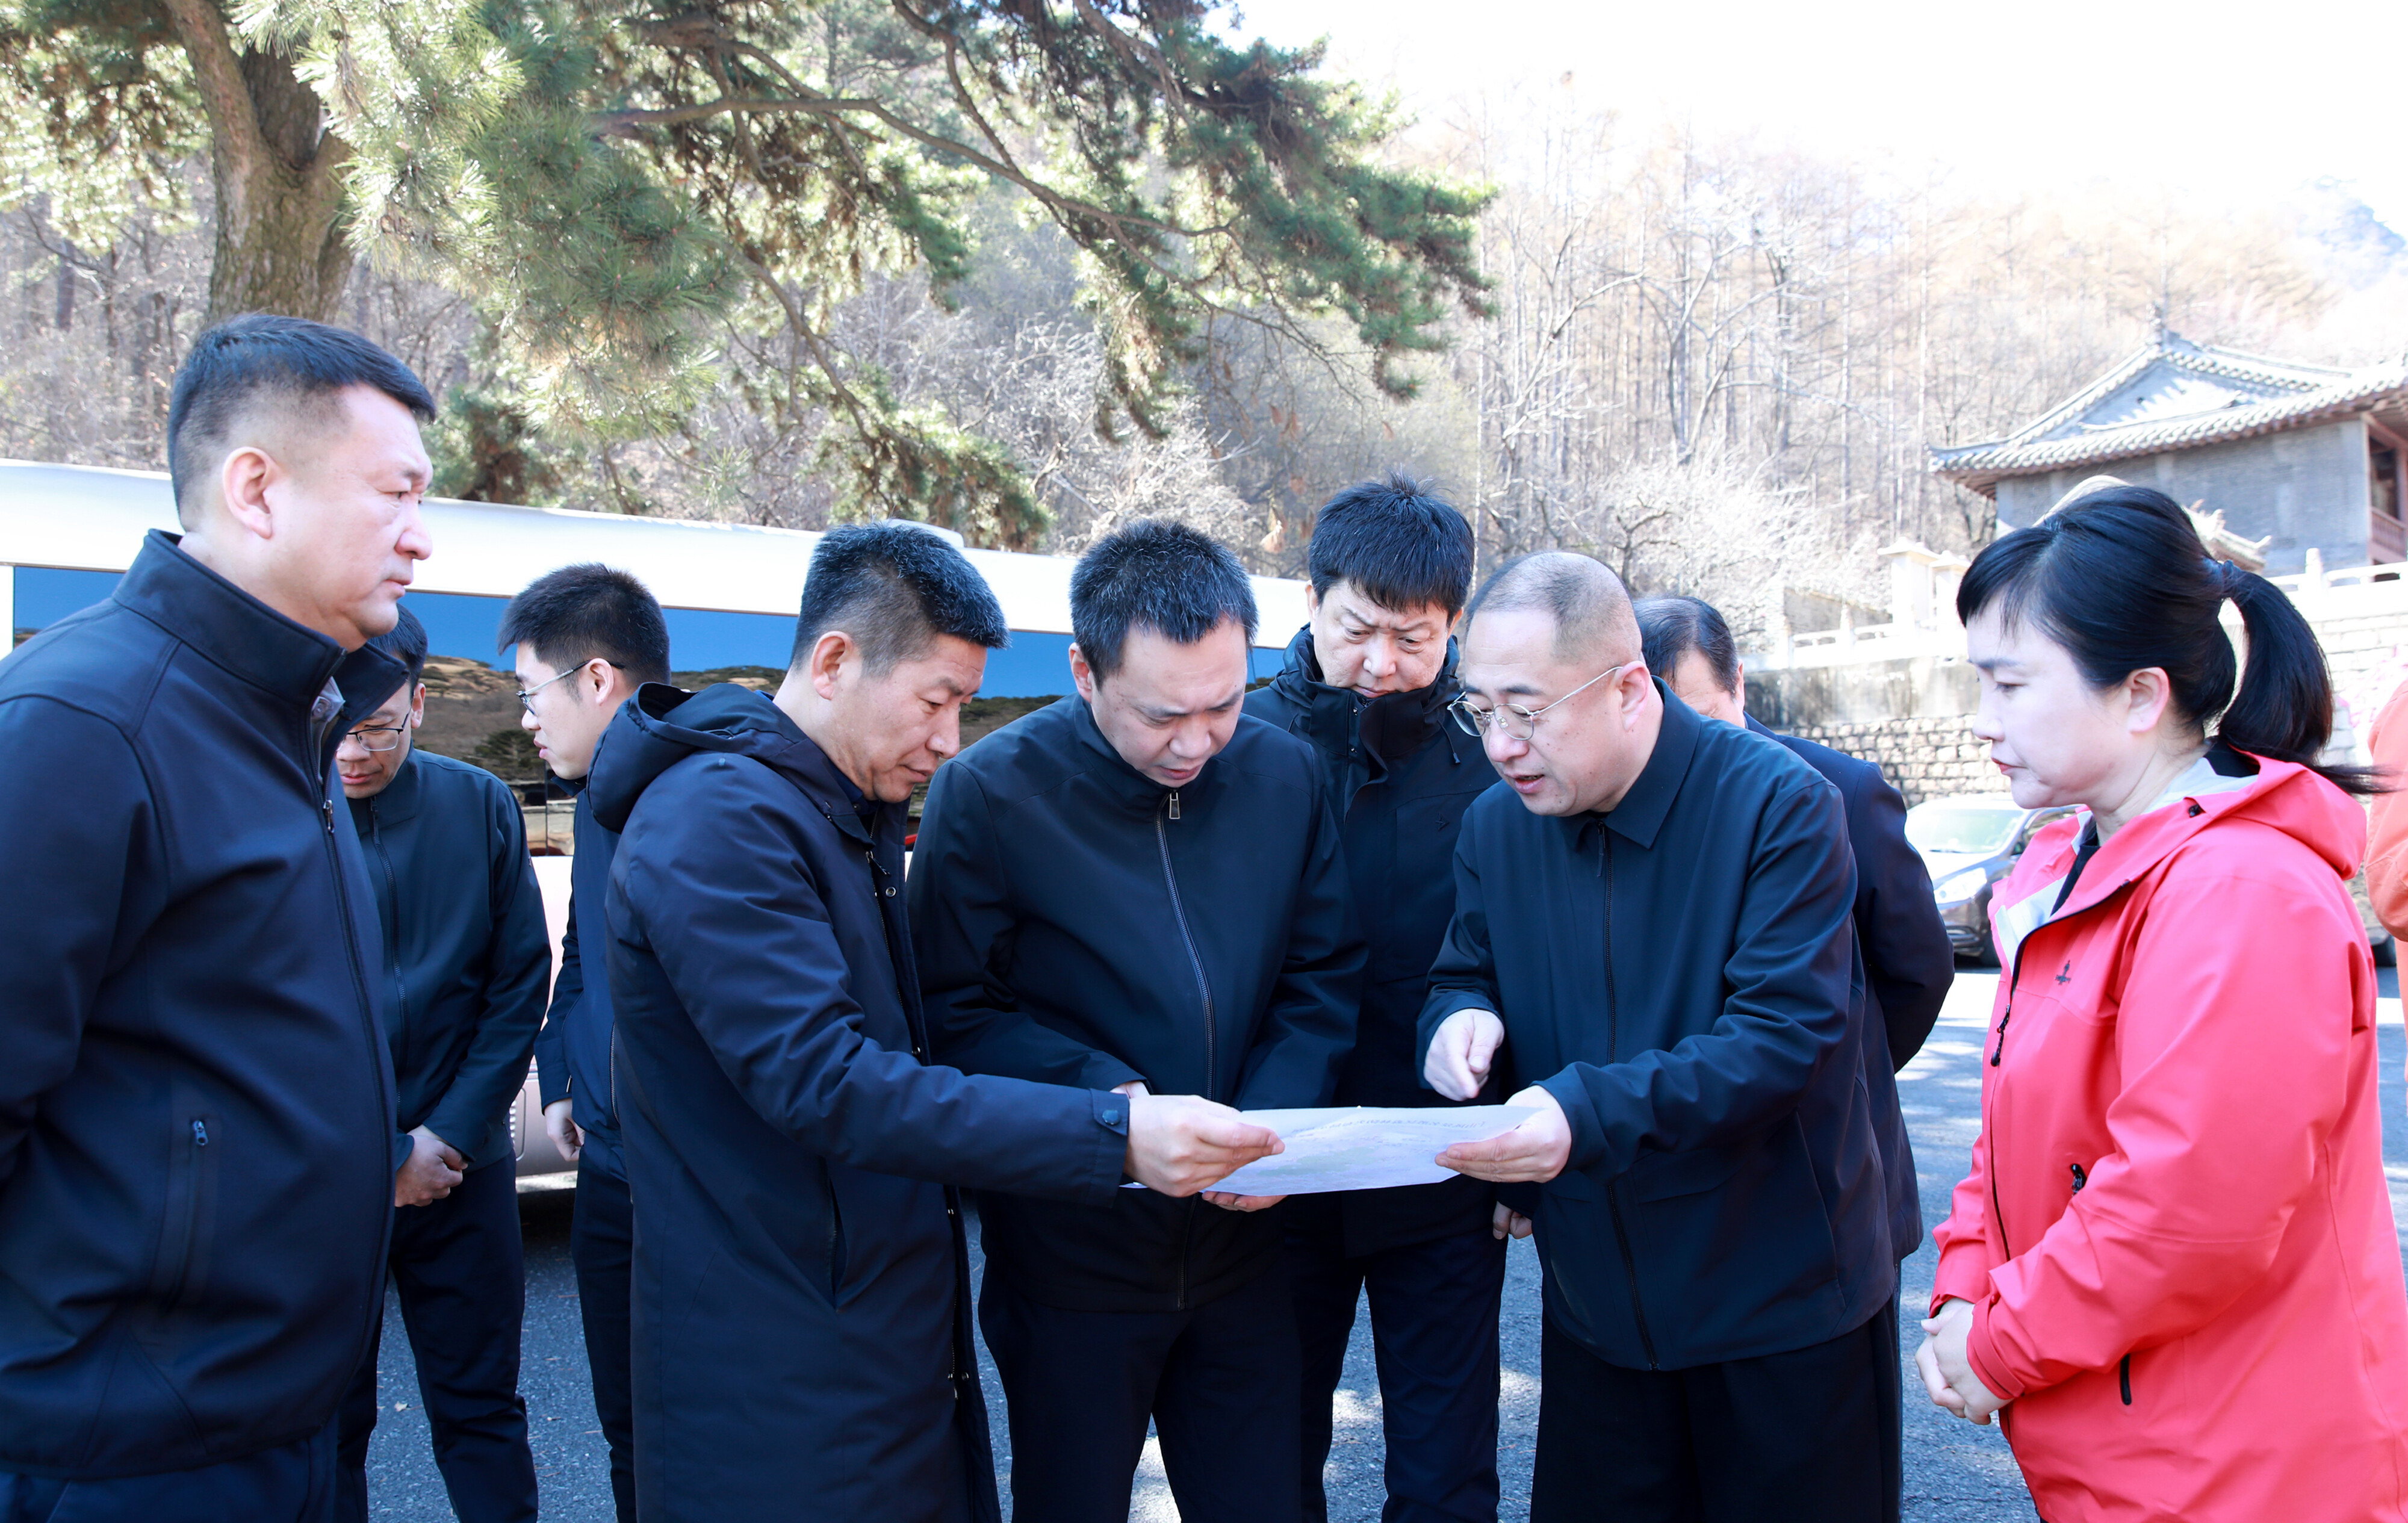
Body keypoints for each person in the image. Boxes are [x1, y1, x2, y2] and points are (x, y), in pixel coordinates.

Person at [594, 522, 1283, 1523]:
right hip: (777, 1369)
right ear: (834, 660)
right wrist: (1116, 1136)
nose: (952, 737)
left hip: (863, 1335)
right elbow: (827, 1080)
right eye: (936, 700)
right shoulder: (722, 820)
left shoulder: (825, 810)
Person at [0, 314, 434, 1519]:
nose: (422, 534)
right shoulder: (84, 723)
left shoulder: (295, 719)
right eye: (395, 489)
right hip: (127, 1446)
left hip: (291, 1420)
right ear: (256, 487)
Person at [1916, 484, 2408, 1522]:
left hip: (2241, 1466)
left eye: (2009, 685)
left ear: (2142, 693)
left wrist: (1996, 1343)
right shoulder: (2078, 870)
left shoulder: (2238, 890)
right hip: (2136, 1443)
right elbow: (2012, 1135)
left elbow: (2189, 1210)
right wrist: (1964, 1283)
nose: (1980, 721)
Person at [1418, 552, 1896, 1523]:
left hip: (1781, 1303)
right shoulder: (1494, 828)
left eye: (1528, 708)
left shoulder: (1778, 802)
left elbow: (1782, 1035)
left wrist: (1579, 1110)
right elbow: (1464, 969)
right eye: (1479, 710)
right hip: (1598, 1308)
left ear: (1629, 685)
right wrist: (1457, 1023)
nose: (1501, 744)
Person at [912, 519, 1365, 1523]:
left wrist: (1273, 1115)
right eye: (1164, 715)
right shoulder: (988, 794)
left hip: (1250, 1252)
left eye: (1226, 703)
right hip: (1074, 1253)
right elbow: (948, 1009)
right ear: (1083, 670)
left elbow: (1323, 969)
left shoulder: (1285, 773)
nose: (1198, 740)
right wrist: (1107, 1105)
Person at [1639, 592, 1952, 1522]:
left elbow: (1917, 971)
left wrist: (1836, 1083)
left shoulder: (1837, 791)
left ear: (1740, 684)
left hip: (1826, 1190)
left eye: (1700, 718)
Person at [1243, 477, 1506, 1523]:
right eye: (1359, 630)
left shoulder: (1492, 758)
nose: (1383, 664)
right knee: (1267, 1449)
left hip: (1439, 1162)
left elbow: (1520, 961)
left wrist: (1518, 1159)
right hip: (1274, 1163)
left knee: (1445, 1467)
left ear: (1455, 628)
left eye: (1417, 638)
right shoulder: (1238, 742)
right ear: (1312, 602)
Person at [331, 606, 550, 1523]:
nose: (353, 753)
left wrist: (446, 1136)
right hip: (328, 1177)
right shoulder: (279, 806)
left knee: (481, 1407)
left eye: (377, 728)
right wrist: (381, 1154)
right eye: (335, 729)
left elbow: (517, 983)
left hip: (464, 1170)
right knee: (324, 1418)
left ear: (419, 706)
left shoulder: (479, 804)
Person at [499, 563, 669, 1523]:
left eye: (532, 693)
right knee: (628, 1431)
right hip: (607, 1173)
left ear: (596, 680)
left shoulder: (703, 800)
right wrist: (562, 1076)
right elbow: (582, 956)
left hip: (692, 1184)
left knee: (704, 1429)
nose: (526, 719)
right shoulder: (600, 794)